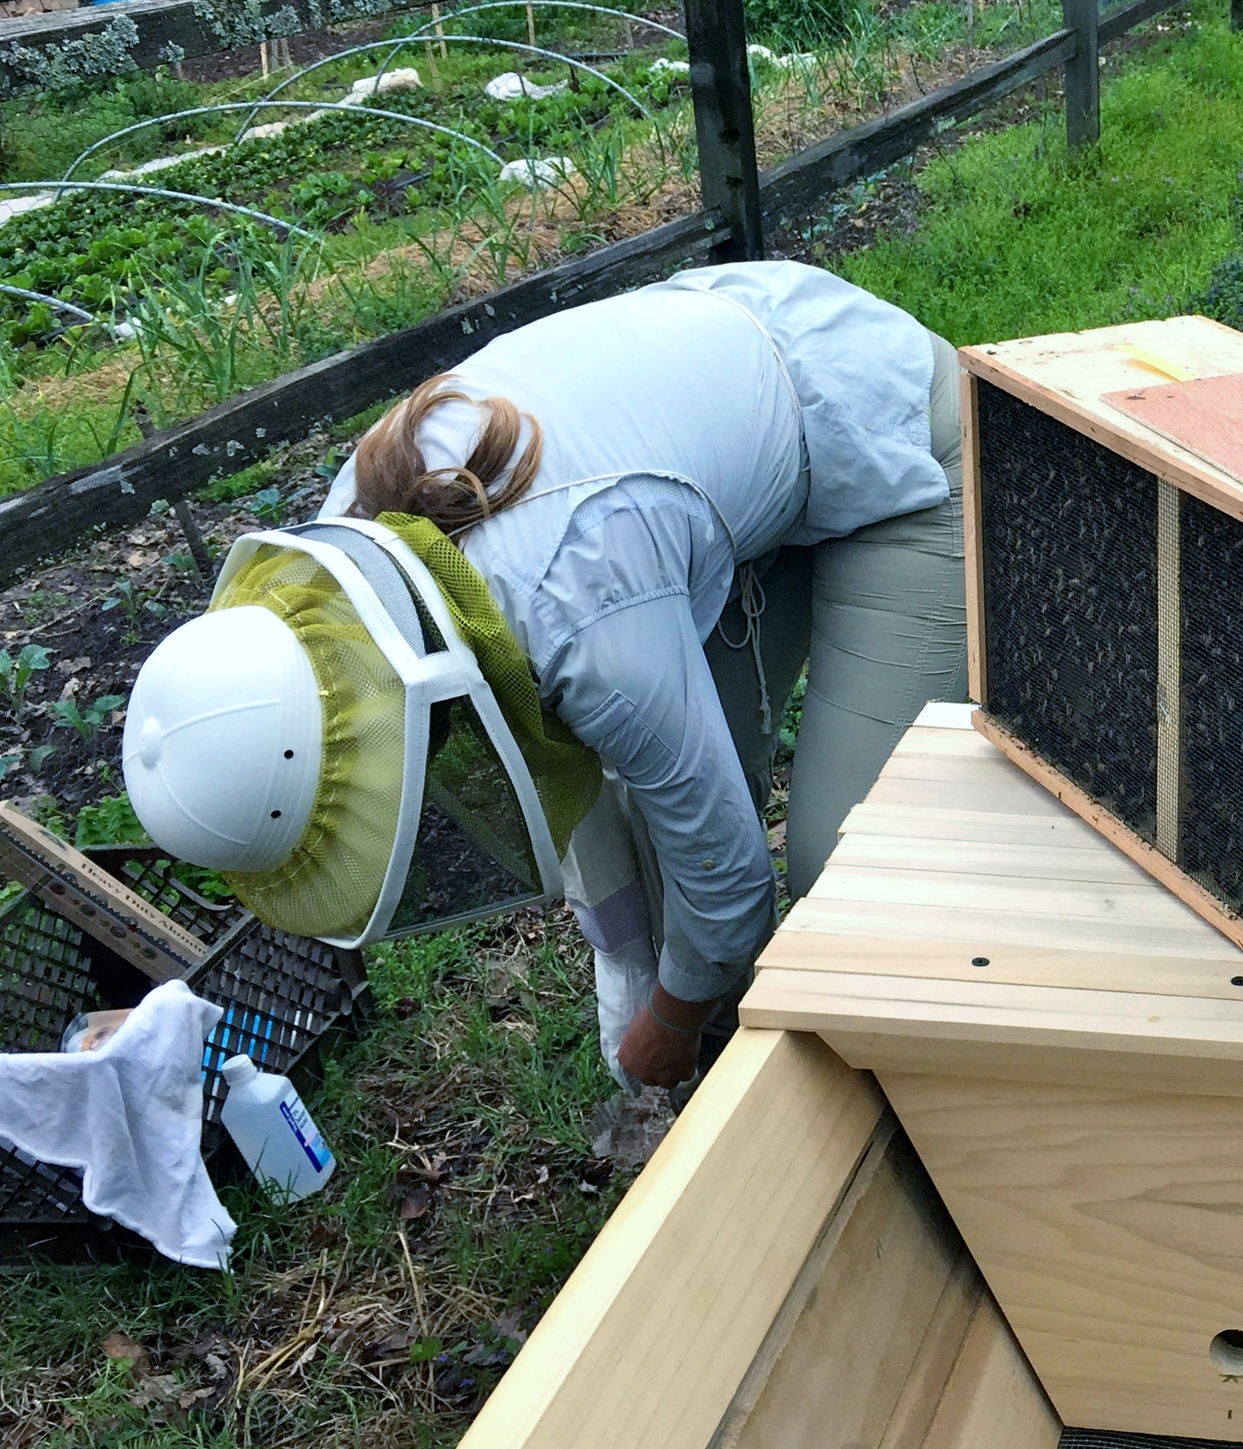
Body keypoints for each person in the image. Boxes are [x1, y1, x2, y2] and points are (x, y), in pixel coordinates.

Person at [120, 261, 967, 1092]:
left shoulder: (575, 611)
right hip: (710, 448)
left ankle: (909, 1093)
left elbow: (733, 877)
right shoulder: (350, 545)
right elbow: (607, 786)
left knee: (845, 872)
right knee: (680, 837)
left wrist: (669, 1022)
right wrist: (638, 963)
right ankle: (740, 1072)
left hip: (886, 423)